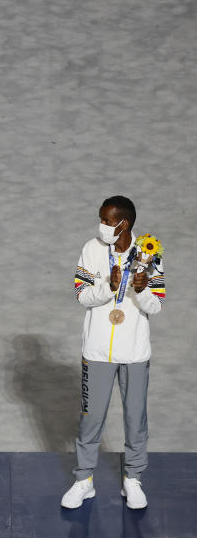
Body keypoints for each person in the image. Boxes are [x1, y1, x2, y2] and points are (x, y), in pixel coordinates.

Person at [61, 196, 165, 510]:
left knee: (136, 419)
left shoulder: (150, 251)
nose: (102, 226)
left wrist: (142, 288)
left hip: (134, 352)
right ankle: (84, 480)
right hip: (97, 351)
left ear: (125, 223)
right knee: (90, 419)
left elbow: (156, 306)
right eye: (102, 220)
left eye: (107, 221)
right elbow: (81, 296)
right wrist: (108, 287)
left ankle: (133, 479)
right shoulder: (91, 250)